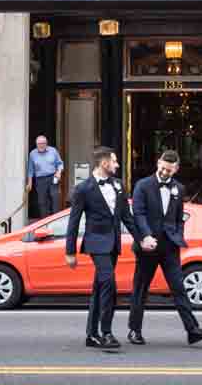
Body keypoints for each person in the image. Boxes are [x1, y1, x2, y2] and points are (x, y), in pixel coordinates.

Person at [127, 149, 202, 347]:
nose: (165, 173)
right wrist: (146, 236)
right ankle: (135, 330)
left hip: (169, 247)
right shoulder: (143, 185)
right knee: (140, 289)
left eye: (170, 170)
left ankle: (192, 330)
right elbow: (138, 214)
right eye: (163, 168)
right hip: (147, 246)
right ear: (158, 163)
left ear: (176, 169)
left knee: (179, 288)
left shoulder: (179, 189)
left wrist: (178, 235)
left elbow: (178, 217)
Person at [65, 145, 143, 353]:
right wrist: (70, 251)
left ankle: (91, 334)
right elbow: (73, 221)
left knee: (99, 288)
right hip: (95, 242)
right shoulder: (83, 189)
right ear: (104, 163)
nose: (117, 165)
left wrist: (141, 240)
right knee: (109, 283)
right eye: (115, 161)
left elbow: (127, 217)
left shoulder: (119, 185)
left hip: (113, 243)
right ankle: (106, 332)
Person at [26, 134, 65, 217]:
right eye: (39, 144)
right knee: (42, 202)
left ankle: (56, 220)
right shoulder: (32, 154)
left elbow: (60, 163)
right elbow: (30, 170)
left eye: (43, 143)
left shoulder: (53, 151)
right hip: (40, 180)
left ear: (46, 143)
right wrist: (29, 183)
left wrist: (59, 172)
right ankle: (45, 223)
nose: (41, 145)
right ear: (36, 144)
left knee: (55, 198)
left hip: (52, 177)